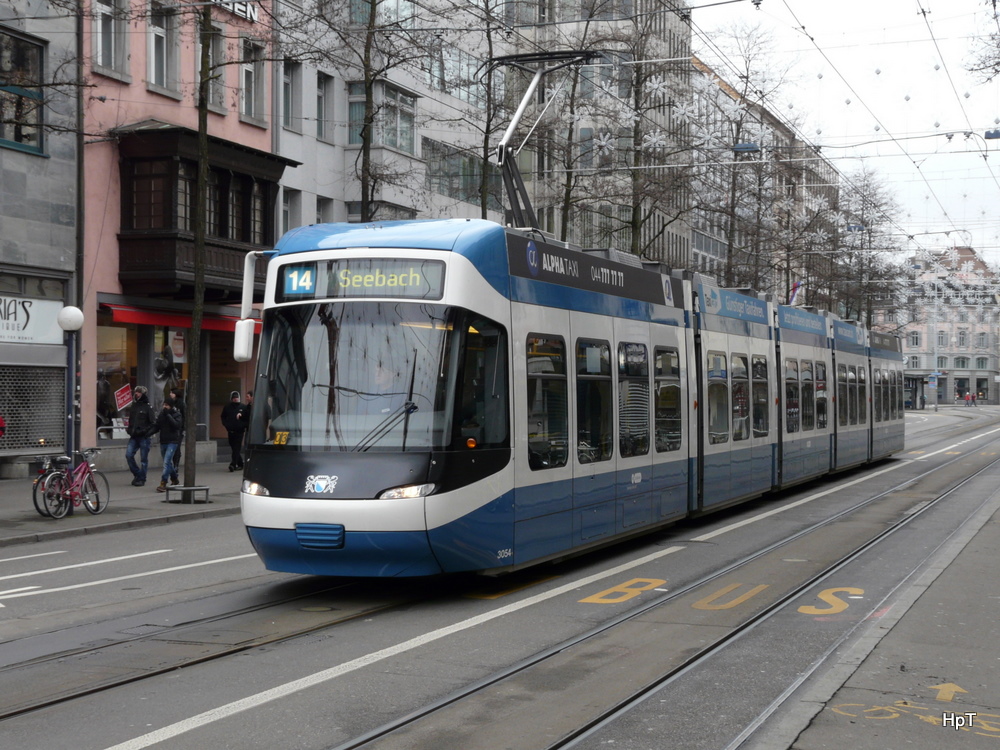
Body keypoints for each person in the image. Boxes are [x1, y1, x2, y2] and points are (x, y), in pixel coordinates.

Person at [125, 386, 157, 486]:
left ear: (143, 394)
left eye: (139, 392)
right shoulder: (134, 406)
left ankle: (141, 478)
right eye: (136, 392)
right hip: (134, 435)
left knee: (143, 459)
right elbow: (131, 420)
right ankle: (138, 474)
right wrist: (129, 430)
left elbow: (153, 423)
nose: (136, 394)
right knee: (128, 455)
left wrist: (145, 431)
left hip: (144, 436)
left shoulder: (147, 407)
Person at [154, 397, 182, 492]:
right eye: (164, 405)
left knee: (166, 462)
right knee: (168, 463)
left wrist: (168, 416)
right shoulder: (162, 415)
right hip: (163, 441)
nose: (164, 407)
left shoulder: (176, 414)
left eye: (167, 405)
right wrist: (148, 432)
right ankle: (174, 479)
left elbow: (176, 425)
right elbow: (157, 426)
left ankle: (163, 482)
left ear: (171, 406)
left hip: (173, 441)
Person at [221, 391, 247, 471]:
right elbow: (223, 416)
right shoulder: (227, 407)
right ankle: (240, 463)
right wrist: (226, 425)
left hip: (239, 431)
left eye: (236, 398)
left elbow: (246, 418)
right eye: (234, 398)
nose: (235, 399)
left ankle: (233, 464)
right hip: (230, 430)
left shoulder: (243, 407)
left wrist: (243, 425)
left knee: (237, 447)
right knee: (234, 447)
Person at [168, 386, 186, 472]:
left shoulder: (181, 404)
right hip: (171, 428)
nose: (170, 394)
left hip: (179, 429)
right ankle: (172, 464)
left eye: (172, 393)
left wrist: (184, 428)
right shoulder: (171, 404)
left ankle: (176, 464)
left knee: (176, 447)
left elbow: (185, 417)